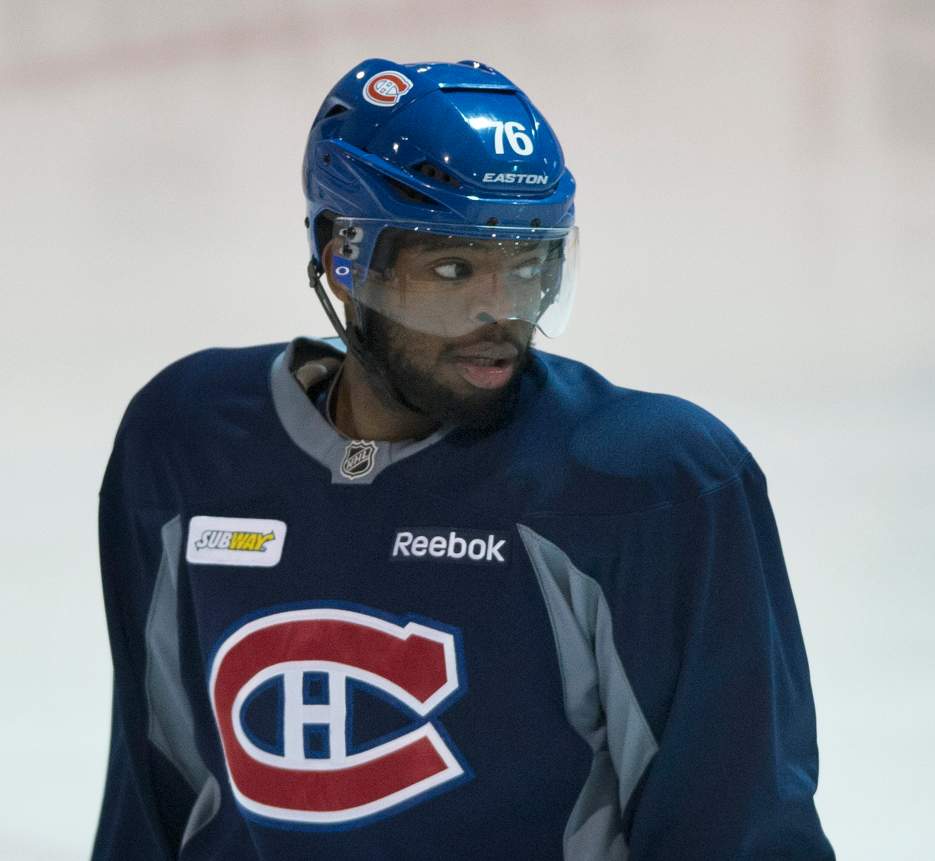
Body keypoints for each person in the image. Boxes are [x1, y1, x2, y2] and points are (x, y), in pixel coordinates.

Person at [92, 58, 835, 860]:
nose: (500, 308)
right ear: (345, 256)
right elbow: (155, 791)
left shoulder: (645, 484)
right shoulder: (186, 444)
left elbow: (738, 827)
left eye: (528, 266)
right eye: (453, 269)